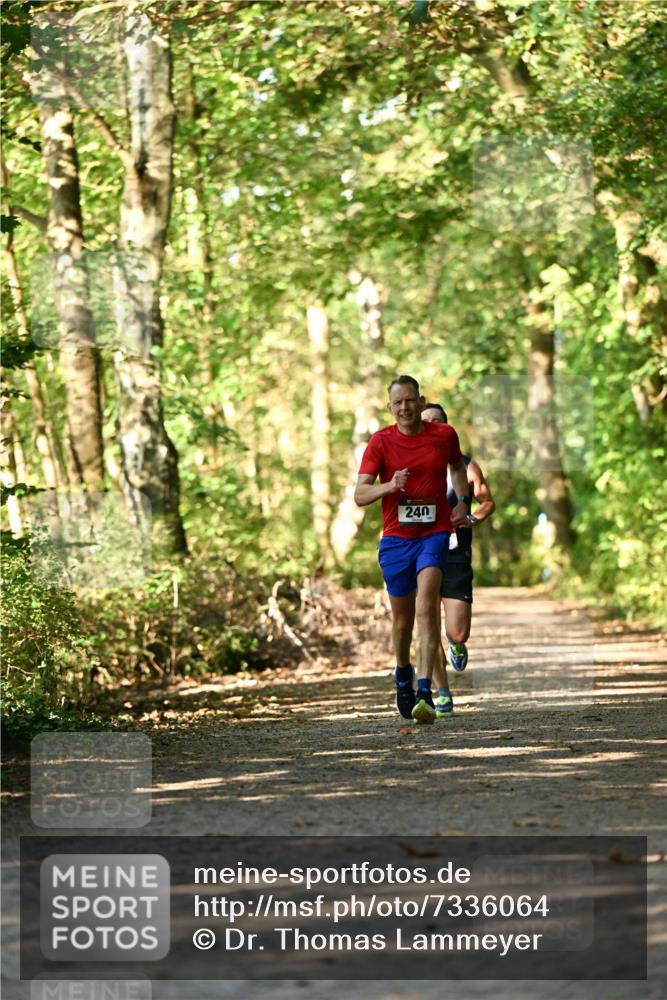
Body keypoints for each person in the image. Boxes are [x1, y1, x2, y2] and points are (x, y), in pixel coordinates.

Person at [354, 376, 470, 724]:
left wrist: (463, 502)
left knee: (426, 608)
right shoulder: (380, 442)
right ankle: (402, 673)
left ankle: (425, 691)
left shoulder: (444, 436)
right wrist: (390, 486)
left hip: (434, 534)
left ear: (421, 402)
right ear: (390, 408)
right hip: (396, 540)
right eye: (397, 403)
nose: (405, 408)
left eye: (410, 401)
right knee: (402, 622)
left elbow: (457, 467)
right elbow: (360, 495)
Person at [421, 402, 496, 717]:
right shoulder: (409, 465)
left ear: (447, 428)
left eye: (438, 422)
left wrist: (473, 518)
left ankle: (457, 644)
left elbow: (487, 501)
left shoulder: (466, 465)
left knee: (456, 631)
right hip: (422, 551)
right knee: (427, 623)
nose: (433, 427)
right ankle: (443, 693)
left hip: (455, 552)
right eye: (427, 423)